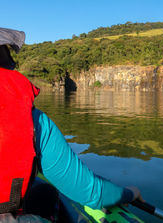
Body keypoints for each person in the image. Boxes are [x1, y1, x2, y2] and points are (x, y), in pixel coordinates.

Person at [0, 27, 143, 222]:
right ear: (8, 63)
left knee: (45, 193)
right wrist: (129, 193)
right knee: (49, 196)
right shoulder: (34, 122)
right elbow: (92, 192)